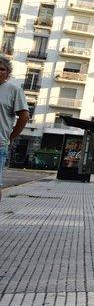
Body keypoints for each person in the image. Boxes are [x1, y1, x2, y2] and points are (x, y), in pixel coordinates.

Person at [0, 57, 30, 203]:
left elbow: (24, 116)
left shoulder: (13, 90)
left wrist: (11, 137)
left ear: (8, 73)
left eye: (2, 69)